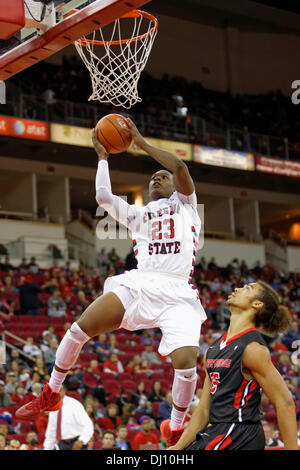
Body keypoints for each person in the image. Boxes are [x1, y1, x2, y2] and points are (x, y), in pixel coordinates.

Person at [16, 118, 207, 442]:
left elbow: (177, 165)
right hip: (141, 283)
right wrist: (102, 156)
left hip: (178, 290)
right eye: (153, 178)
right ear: (147, 191)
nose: (158, 178)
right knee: (80, 328)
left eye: (163, 177)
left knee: (186, 364)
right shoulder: (138, 215)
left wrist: (141, 144)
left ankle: (175, 427)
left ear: (175, 186)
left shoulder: (187, 206)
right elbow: (103, 196)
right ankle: (51, 392)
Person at [164, 281, 298, 450]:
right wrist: (178, 447)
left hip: (241, 433)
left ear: (257, 304)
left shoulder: (253, 350)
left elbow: (285, 402)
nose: (236, 289)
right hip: (219, 431)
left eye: (247, 288)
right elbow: (204, 410)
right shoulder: (212, 350)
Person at [43, 385, 93, 450]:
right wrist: (47, 448)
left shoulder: (74, 404)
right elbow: (51, 431)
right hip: (62, 444)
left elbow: (88, 424)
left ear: (64, 391)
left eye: (60, 390)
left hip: (77, 442)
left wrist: (81, 441)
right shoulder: (52, 408)